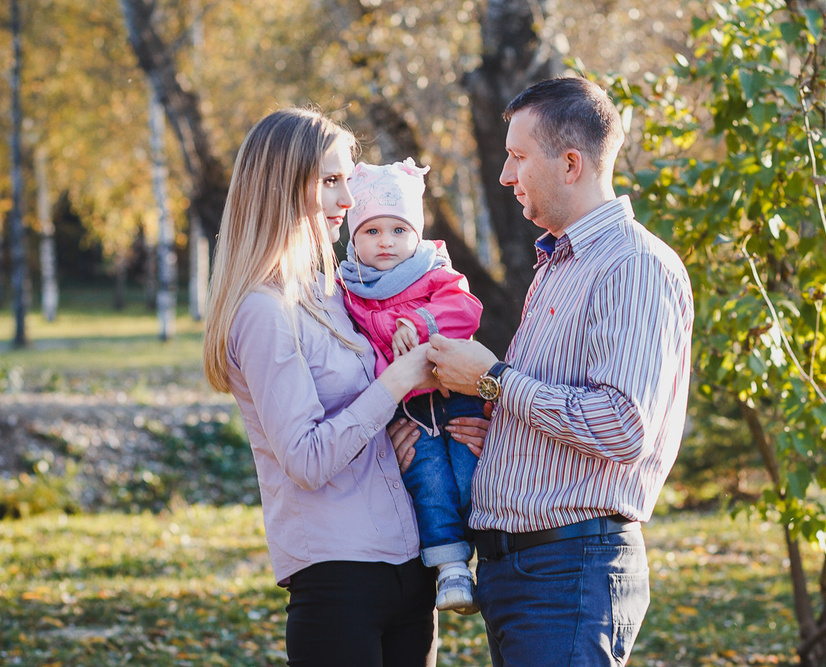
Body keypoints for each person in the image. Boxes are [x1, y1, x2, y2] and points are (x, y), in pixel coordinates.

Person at [201, 107, 489, 667]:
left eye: (346, 181)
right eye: (331, 181)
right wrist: (397, 383)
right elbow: (306, 458)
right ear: (284, 188)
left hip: (412, 564)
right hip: (338, 578)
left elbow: (378, 409)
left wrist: (426, 423)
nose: (348, 200)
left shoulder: (336, 294)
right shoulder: (263, 311)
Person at [427, 76, 694, 666]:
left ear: (571, 163)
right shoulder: (561, 263)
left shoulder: (632, 265)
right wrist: (495, 428)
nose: (504, 175)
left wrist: (494, 380)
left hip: (570, 573)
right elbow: (560, 407)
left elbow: (623, 426)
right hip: (525, 574)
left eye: (518, 157)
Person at [339, 158, 485, 614]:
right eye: (372, 231)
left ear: (417, 235)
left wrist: (418, 323)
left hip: (454, 392)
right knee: (428, 480)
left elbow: (464, 310)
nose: (386, 242)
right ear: (354, 237)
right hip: (408, 410)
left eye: (398, 230)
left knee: (468, 472)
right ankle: (451, 568)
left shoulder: (434, 273)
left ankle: (489, 549)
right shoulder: (349, 291)